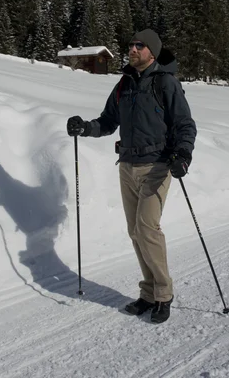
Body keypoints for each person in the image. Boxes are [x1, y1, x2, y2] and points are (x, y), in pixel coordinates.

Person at [67, 29, 197, 323]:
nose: (133, 49)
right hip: (127, 165)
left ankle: (164, 294)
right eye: (131, 45)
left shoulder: (166, 83)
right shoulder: (123, 85)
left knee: (147, 227)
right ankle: (148, 293)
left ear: (152, 52)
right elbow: (107, 121)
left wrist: (183, 155)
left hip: (158, 165)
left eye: (140, 46)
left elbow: (185, 124)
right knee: (135, 231)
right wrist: (85, 128)